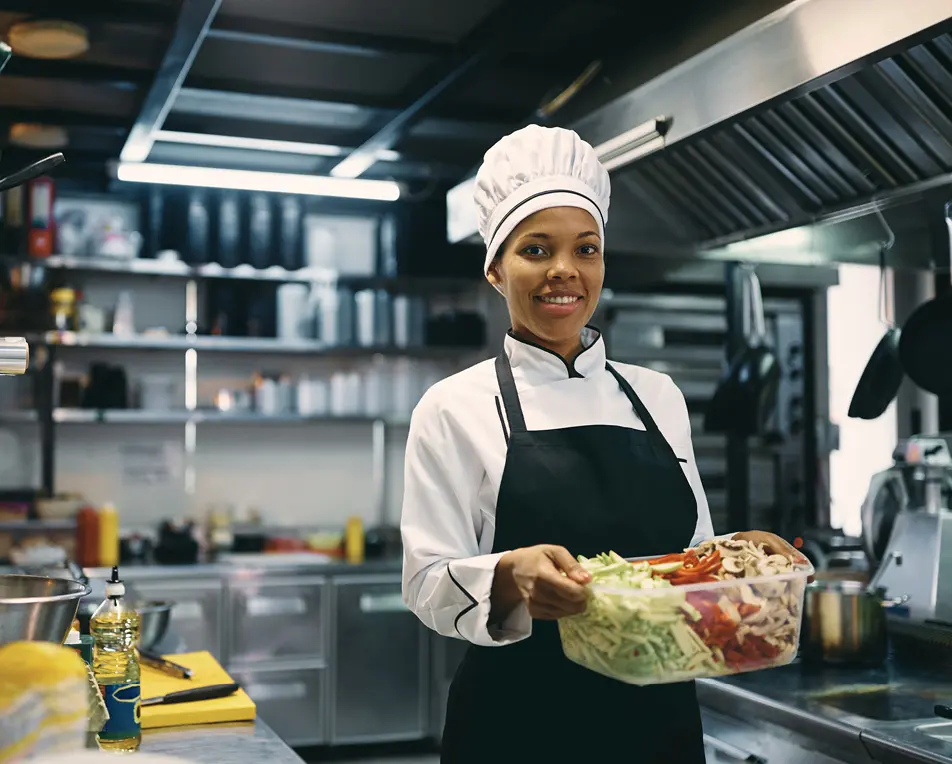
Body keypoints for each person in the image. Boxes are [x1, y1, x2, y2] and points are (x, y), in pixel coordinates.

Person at [400, 125, 798, 763]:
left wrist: (739, 557)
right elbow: (425, 582)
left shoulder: (658, 395)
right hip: (518, 729)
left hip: (658, 728)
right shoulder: (453, 407)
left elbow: (683, 563)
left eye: (585, 249)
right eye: (536, 249)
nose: (565, 270)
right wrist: (509, 577)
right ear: (496, 269)